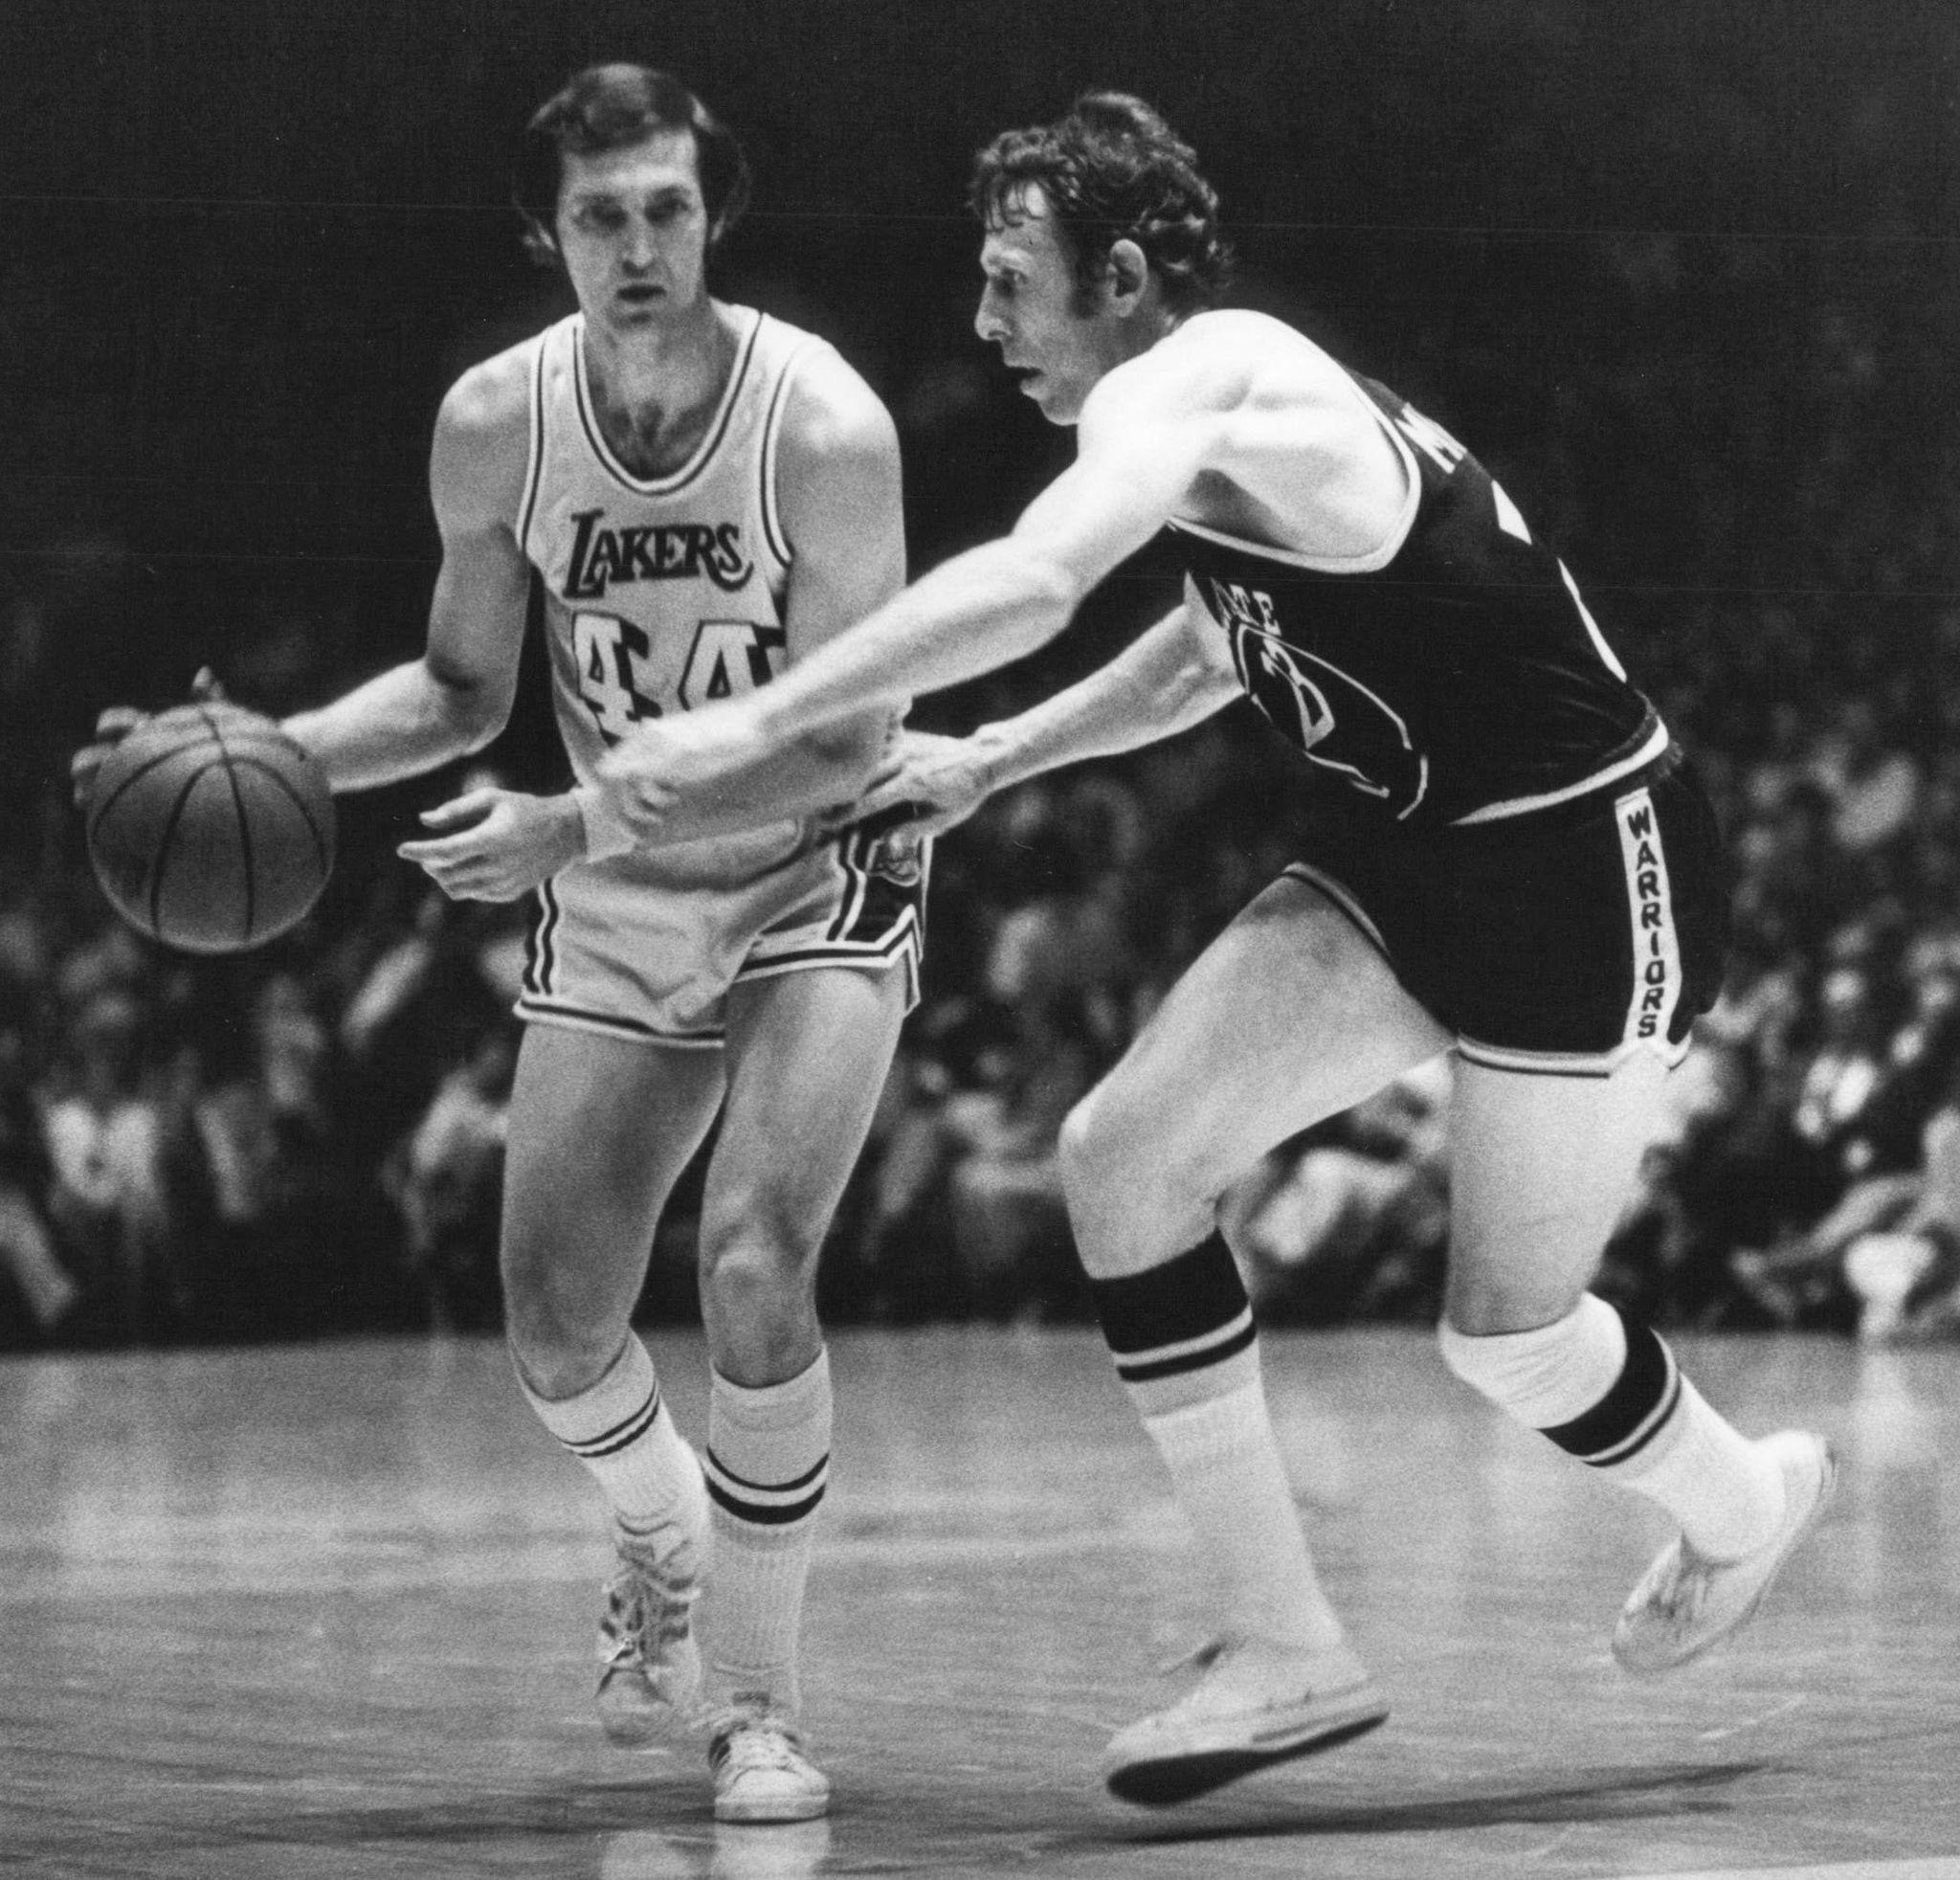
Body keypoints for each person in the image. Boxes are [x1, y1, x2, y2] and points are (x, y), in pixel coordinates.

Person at [587, 92, 1838, 1805]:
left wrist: (741, 734)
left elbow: (1036, 580)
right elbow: (1203, 641)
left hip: (1582, 864)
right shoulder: (1204, 435)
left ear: (1119, 273)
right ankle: (1283, 1646)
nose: (984, 321)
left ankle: (1745, 1500)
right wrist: (992, 760)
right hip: (1413, 857)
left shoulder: (1211, 371)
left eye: (1012, 278)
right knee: (1120, 1158)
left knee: (1509, 1340)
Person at [72, 63, 923, 1825]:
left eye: (668, 209)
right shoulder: (495, 423)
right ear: (546, 231)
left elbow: (851, 742)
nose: (638, 246)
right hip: (615, 889)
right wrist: (253, 755)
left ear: (716, 210)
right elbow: (465, 691)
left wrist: (576, 823)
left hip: (811, 871)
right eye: (602, 216)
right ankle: (656, 1537)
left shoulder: (823, 426)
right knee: (552, 1335)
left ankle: (759, 1710)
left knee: (757, 1261)